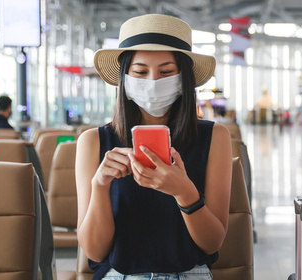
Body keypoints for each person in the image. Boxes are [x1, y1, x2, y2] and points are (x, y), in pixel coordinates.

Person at [75, 14, 232, 280]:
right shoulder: (93, 142)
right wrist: (100, 186)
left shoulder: (215, 136)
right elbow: (94, 251)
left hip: (190, 274)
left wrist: (185, 194)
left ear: (184, 78)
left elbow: (212, 242)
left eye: (167, 72)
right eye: (140, 72)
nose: (153, 81)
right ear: (124, 78)